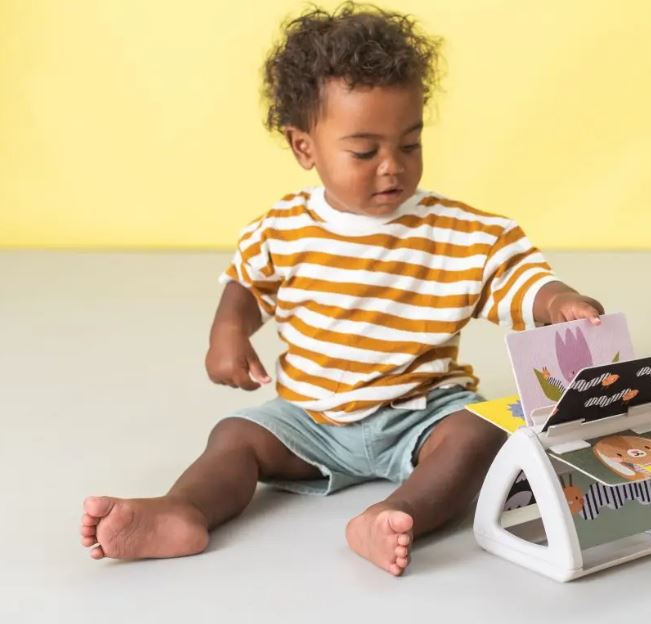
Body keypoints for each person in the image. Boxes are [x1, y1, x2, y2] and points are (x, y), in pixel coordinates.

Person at [80, 2, 605, 577]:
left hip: (422, 413)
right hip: (310, 418)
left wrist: (556, 301)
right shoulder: (282, 227)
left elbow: (513, 275)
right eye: (364, 151)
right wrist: (228, 331)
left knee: (481, 432)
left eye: (409, 145)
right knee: (235, 437)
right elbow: (247, 284)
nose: (391, 168)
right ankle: (183, 511)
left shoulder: (460, 233)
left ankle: (395, 514)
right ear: (305, 147)